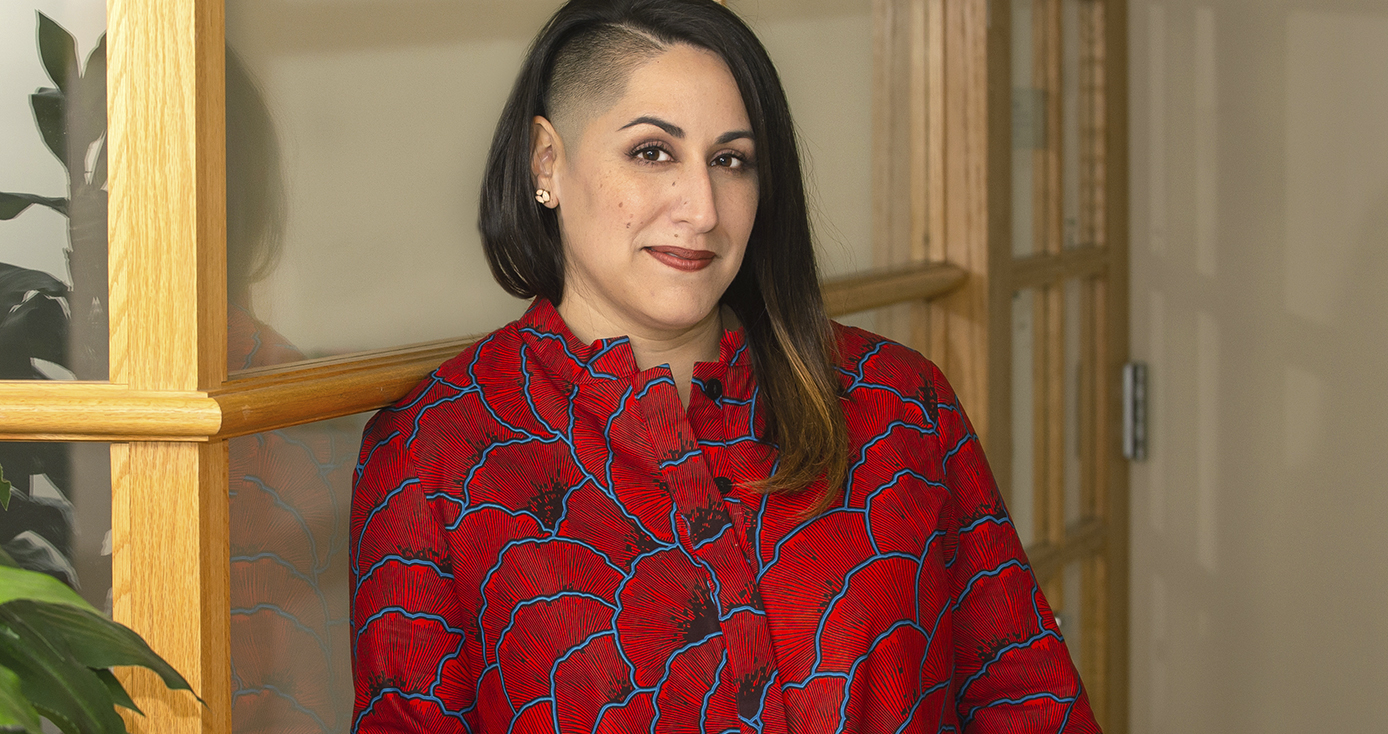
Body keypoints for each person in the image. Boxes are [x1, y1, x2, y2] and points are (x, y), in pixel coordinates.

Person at [350, 0, 1101, 731]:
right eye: (652, 152)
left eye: (731, 161)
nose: (703, 208)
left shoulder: (899, 402)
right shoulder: (433, 451)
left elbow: (1027, 693)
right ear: (548, 162)